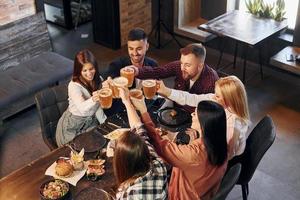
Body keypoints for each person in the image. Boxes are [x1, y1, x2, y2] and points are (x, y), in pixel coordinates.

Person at [125, 89, 228, 199]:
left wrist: (143, 111)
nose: (192, 114)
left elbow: (158, 144)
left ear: (204, 125)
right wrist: (193, 143)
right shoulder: (222, 144)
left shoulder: (193, 154)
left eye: (195, 114)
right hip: (205, 193)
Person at [157, 75, 250, 159]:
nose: (213, 97)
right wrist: (166, 91)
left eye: (217, 96)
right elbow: (190, 98)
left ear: (229, 100)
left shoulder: (233, 128)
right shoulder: (217, 101)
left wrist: (194, 143)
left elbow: (223, 158)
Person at [130, 43, 219, 113]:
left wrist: (167, 93)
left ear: (200, 66)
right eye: (181, 63)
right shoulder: (180, 66)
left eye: (187, 65)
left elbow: (204, 110)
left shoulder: (211, 81)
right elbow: (159, 71)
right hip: (174, 109)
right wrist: (138, 71)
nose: (182, 68)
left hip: (194, 118)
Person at [114, 89, 168, 199]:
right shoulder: (158, 164)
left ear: (122, 164)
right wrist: (127, 102)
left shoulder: (128, 194)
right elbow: (138, 128)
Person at [56, 50, 106, 147]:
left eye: (91, 69)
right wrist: (94, 98)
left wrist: (105, 123)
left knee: (98, 147)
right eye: (84, 70)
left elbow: (98, 107)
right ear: (79, 71)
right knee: (76, 155)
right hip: (72, 125)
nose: (89, 73)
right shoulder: (73, 85)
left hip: (90, 122)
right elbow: (82, 108)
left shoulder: (99, 80)